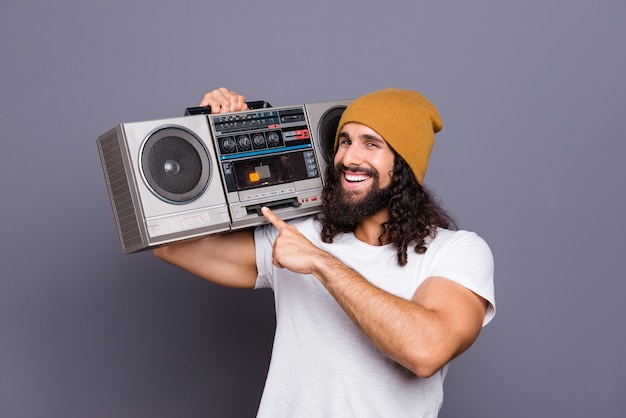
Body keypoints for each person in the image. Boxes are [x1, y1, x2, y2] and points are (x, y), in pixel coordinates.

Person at [154, 86, 496, 417]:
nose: (349, 157)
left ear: (404, 164)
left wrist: (321, 262)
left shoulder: (456, 251)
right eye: (344, 141)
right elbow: (169, 244)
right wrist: (215, 136)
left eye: (371, 144)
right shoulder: (300, 234)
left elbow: (426, 351)